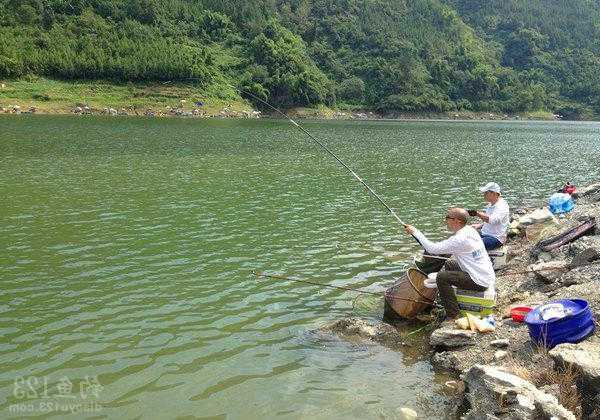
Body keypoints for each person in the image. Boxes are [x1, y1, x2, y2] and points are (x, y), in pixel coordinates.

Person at [404, 208, 495, 319]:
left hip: (480, 282)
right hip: (486, 275)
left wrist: (415, 232)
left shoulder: (459, 239)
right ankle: (452, 296)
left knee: (442, 277)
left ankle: (454, 314)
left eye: (448, 218)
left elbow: (432, 248)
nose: (446, 220)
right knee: (449, 264)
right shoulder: (469, 230)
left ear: (457, 221)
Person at [469, 182, 510, 250]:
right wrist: (479, 225)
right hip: (485, 234)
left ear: (493, 193)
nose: (484, 195)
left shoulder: (502, 206)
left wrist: (477, 214)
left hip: (495, 238)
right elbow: (490, 220)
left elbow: (493, 220)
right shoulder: (490, 205)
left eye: (486, 193)